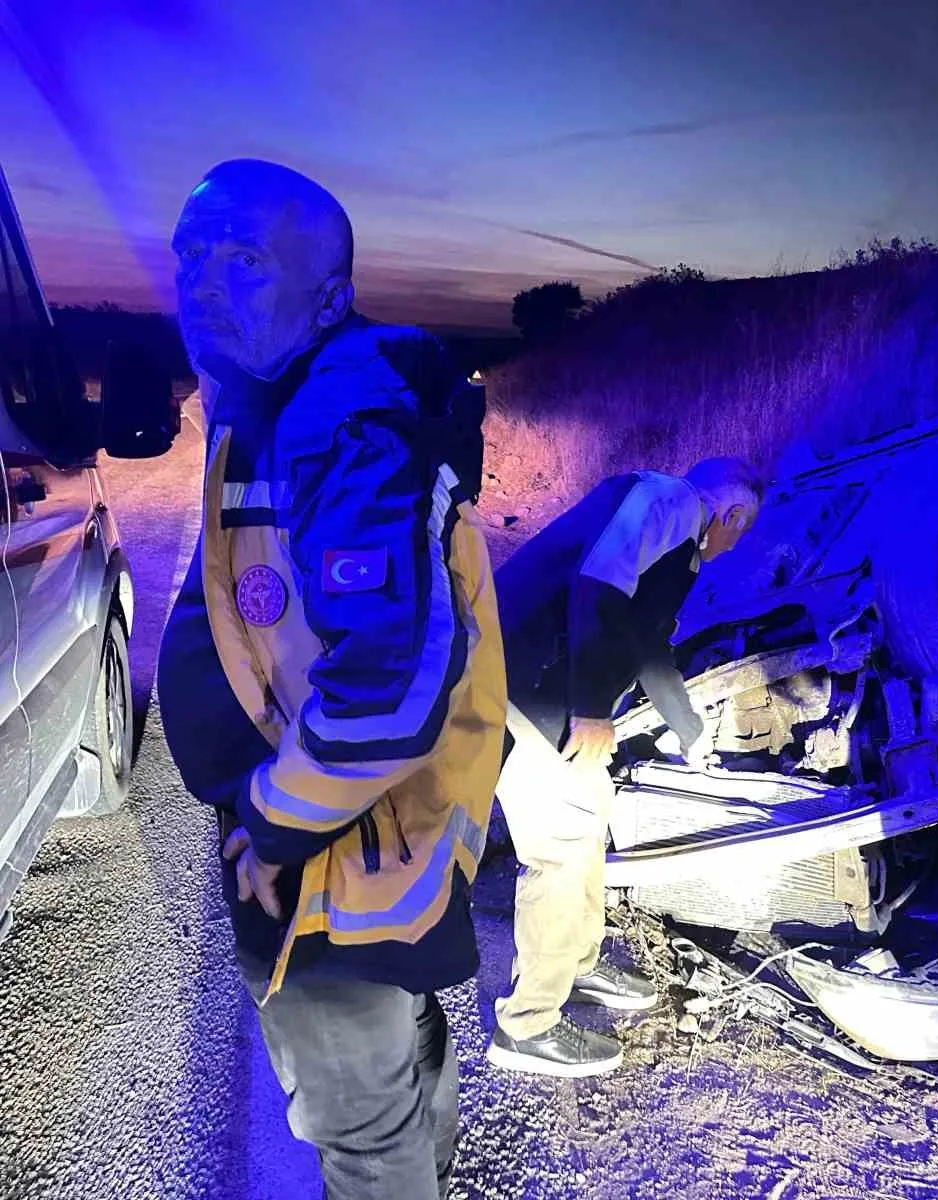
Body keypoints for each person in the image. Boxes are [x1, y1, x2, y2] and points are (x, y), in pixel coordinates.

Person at [156, 160, 506, 1198]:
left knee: (357, 1124)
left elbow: (387, 691)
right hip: (358, 843)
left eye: (243, 258)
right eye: (191, 254)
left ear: (328, 291)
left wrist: (269, 822)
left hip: (340, 857)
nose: (203, 281)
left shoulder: (341, 424)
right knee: (396, 1069)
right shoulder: (279, 394)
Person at [488, 458, 763, 1075]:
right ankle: (528, 1025)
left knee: (592, 807)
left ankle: (577, 960)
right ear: (733, 513)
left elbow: (644, 643)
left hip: (540, 678)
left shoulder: (677, 538)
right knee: (559, 840)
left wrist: (689, 730)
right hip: (527, 680)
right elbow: (596, 585)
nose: (733, 544)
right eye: (741, 532)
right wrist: (588, 705)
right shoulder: (667, 503)